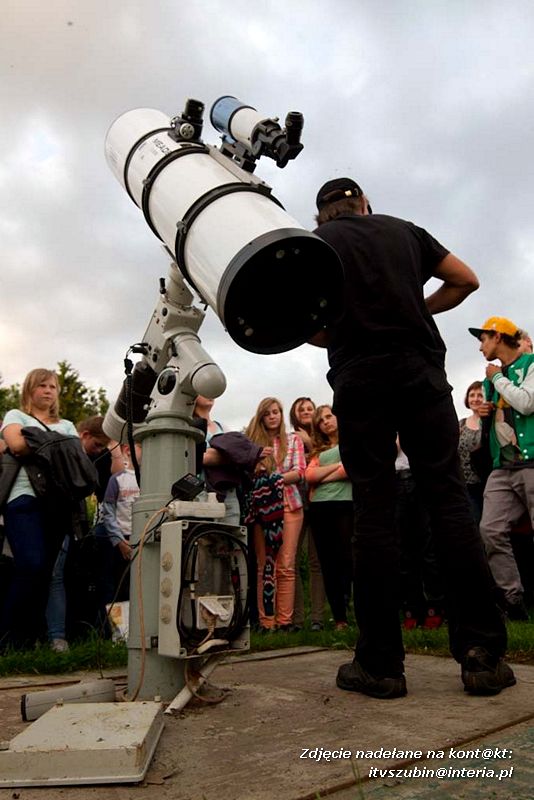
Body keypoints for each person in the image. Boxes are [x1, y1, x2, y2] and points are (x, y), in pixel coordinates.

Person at [310, 177, 513, 698]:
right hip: (420, 371)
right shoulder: (403, 231)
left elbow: (301, 326)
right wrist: (419, 308)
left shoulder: (317, 247)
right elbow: (465, 279)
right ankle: (482, 656)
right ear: (364, 204)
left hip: (358, 378)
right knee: (447, 500)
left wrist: (342, 327)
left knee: (373, 510)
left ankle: (380, 665)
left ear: (322, 217)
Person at [0, 369, 78, 651]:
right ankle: (7, 639)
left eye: (53, 387)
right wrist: (54, 446)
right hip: (23, 498)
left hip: (58, 504)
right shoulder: (15, 416)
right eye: (42, 385)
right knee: (29, 565)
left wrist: (35, 441)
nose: (48, 390)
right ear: (30, 389)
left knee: (46, 573)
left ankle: (28, 640)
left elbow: (75, 458)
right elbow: (17, 445)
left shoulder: (67, 424)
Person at [469, 316, 534, 621]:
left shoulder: (531, 364)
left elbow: (526, 403)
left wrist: (497, 379)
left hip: (531, 461)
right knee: (490, 529)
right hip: (502, 467)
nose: (480, 346)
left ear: (497, 337)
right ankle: (512, 598)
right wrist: (484, 413)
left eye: (483, 339)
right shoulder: (488, 380)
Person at [244, 398, 306, 631]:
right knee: (264, 565)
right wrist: (258, 466)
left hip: (289, 505)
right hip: (262, 508)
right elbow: (248, 474)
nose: (273, 416)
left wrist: (274, 478)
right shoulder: (253, 443)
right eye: (268, 413)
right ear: (261, 417)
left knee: (286, 565)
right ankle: (266, 622)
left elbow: (300, 472)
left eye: (276, 412)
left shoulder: (293, 440)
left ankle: (285, 621)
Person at [305, 405, 353, 629]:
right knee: (328, 564)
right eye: (321, 419)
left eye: (329, 416)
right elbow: (308, 475)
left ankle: (355, 610)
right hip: (320, 507)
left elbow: (351, 469)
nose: (325, 421)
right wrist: (335, 469)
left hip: (345, 504)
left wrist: (321, 475)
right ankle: (340, 618)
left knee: (347, 560)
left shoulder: (352, 441)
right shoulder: (317, 451)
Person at [289, 397, 326, 631]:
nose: (305, 412)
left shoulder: (324, 436)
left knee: (316, 562)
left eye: (309, 409)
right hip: (295, 503)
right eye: (301, 409)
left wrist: (310, 443)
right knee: (291, 561)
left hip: (320, 502)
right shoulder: (289, 438)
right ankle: (296, 618)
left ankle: (318, 618)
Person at [98, 441, 141, 604]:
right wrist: (120, 541)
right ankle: (115, 627)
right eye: (141, 446)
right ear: (127, 450)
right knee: (117, 585)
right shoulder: (117, 480)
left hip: (143, 539)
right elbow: (108, 513)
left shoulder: (150, 479)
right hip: (122, 541)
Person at [458, 381, 486, 523]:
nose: (475, 399)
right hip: (466, 485)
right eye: (472, 395)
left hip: (486, 482)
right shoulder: (460, 425)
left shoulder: (490, 423)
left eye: (480, 395)